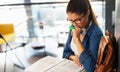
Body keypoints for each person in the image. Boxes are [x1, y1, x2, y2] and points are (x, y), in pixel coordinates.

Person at [63, 0, 103, 72]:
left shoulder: (96, 33)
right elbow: (65, 53)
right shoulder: (73, 27)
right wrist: (72, 57)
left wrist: (77, 40)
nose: (74, 24)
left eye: (77, 20)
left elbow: (91, 68)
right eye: (71, 20)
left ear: (87, 13)